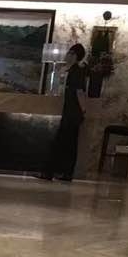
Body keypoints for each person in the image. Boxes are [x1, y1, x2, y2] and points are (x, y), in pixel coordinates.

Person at [41, 43, 88, 182]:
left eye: (71, 53)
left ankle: (52, 172)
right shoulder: (71, 70)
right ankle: (64, 173)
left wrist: (83, 109)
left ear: (76, 56)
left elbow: (79, 92)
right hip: (70, 111)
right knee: (68, 143)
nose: (67, 55)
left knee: (64, 142)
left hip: (73, 112)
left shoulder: (77, 71)